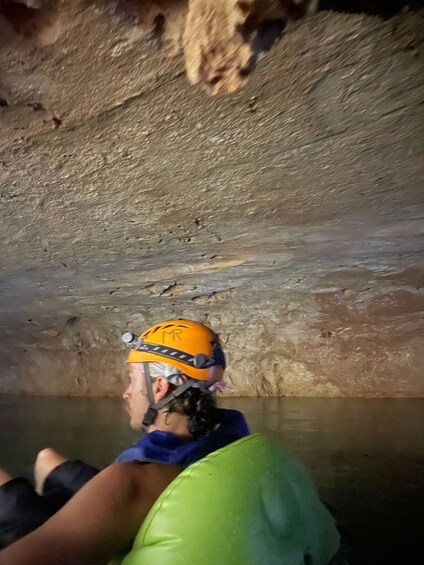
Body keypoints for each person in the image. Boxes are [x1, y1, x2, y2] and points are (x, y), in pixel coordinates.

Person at [0, 319, 249, 561]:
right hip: (156, 507)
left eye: (132, 379)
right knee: (47, 459)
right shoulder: (229, 435)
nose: (126, 393)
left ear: (160, 387)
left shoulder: (134, 475)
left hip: (111, 524)